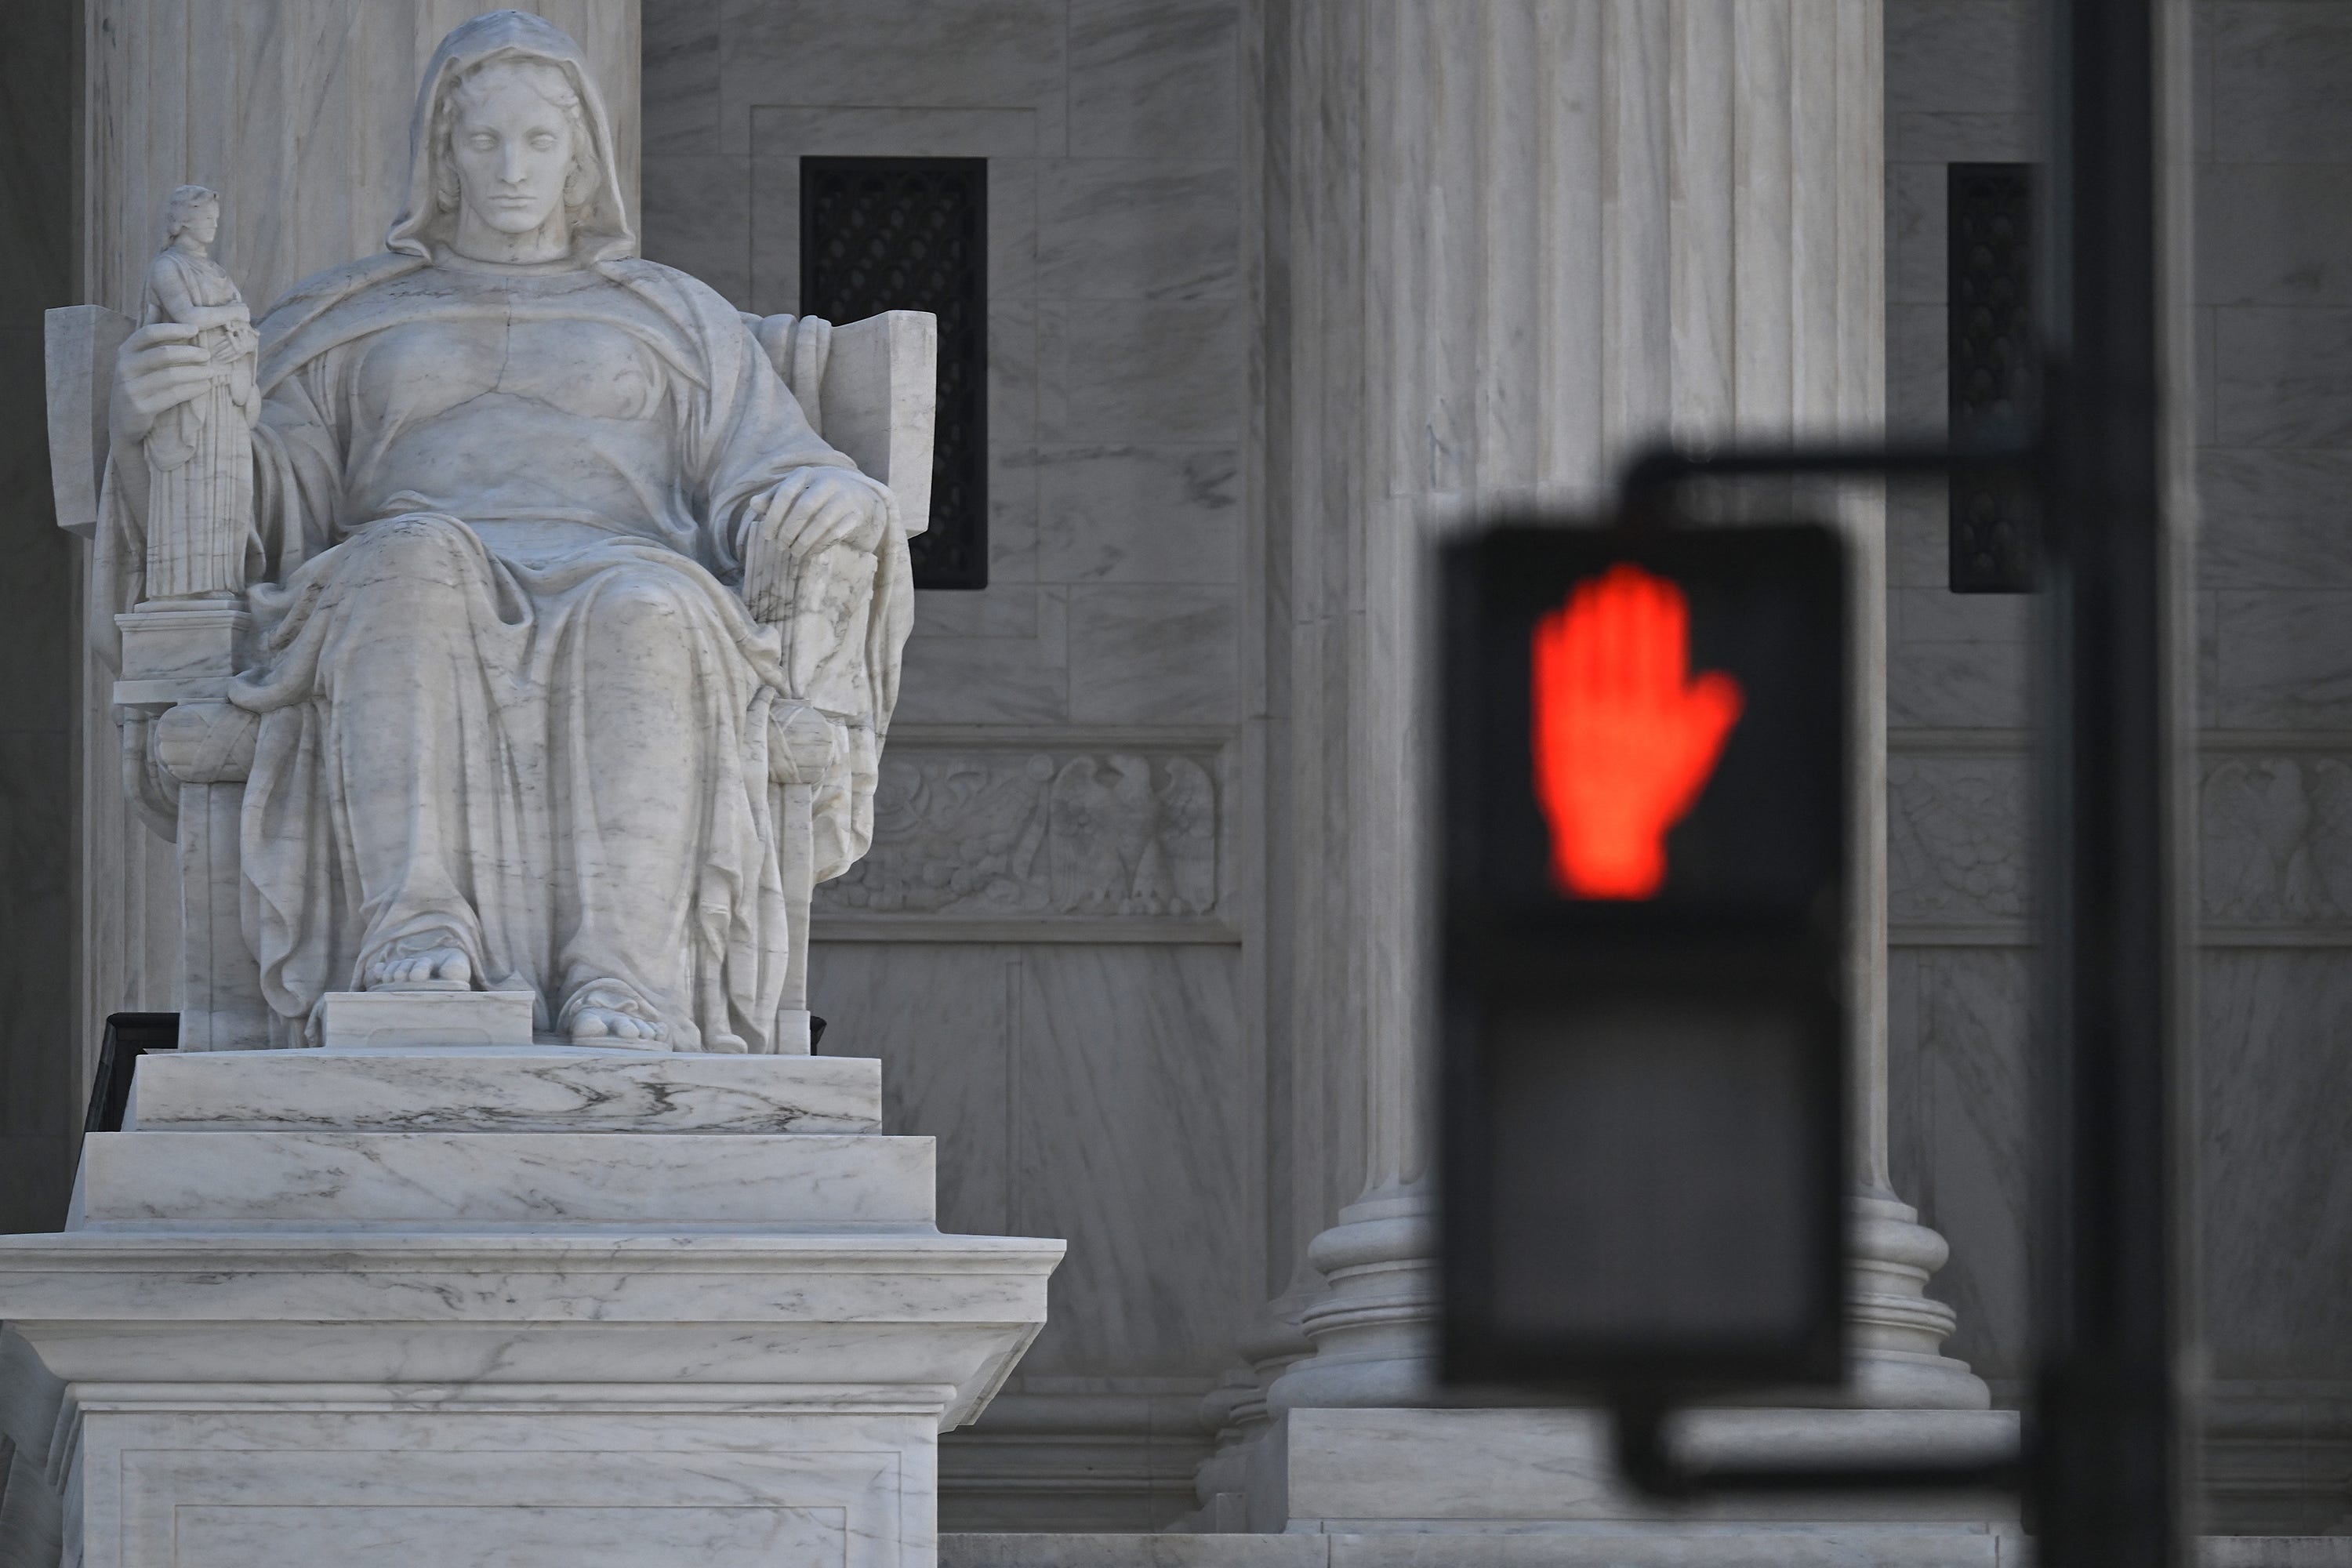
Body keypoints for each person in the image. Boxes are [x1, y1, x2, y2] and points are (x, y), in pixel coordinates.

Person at [99, 10, 910, 1051]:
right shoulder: (342, 317)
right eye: (485, 142)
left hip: (627, 570)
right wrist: (161, 419)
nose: (513, 169)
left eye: (540, 141)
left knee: (652, 606)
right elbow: (262, 498)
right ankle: (413, 925)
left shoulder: (676, 318)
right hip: (400, 566)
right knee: (409, 564)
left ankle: (626, 977)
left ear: (583, 160)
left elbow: (771, 471)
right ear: (443, 157)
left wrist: (837, 498)